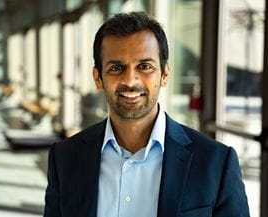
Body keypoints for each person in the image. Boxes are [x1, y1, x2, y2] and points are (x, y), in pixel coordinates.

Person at [43, 12, 249, 217]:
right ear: (98, 78)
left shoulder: (215, 162)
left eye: (145, 66)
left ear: (165, 75)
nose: (131, 81)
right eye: (116, 68)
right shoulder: (65, 158)